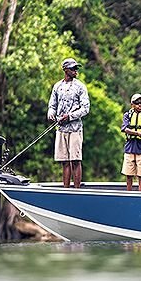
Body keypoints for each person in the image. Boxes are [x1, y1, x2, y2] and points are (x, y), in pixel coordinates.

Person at [47, 57, 90, 187]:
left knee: (75, 160)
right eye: (73, 68)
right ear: (65, 70)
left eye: (76, 68)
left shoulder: (80, 87)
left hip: (75, 129)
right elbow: (52, 106)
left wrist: (70, 116)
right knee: (64, 161)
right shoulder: (57, 86)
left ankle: (76, 190)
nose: (76, 71)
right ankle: (66, 189)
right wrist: (51, 114)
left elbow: (86, 108)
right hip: (61, 129)